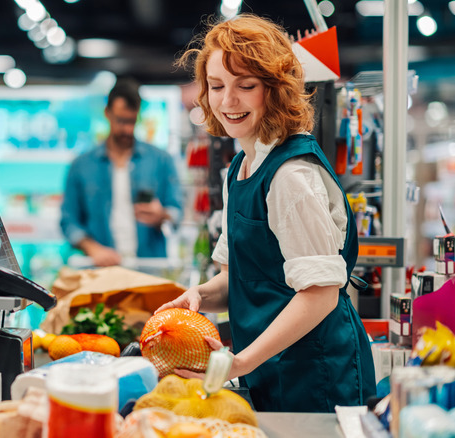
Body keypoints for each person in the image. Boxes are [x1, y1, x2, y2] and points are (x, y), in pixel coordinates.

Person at [156, 14, 375, 412]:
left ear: (274, 89)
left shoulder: (292, 175)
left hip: (316, 373)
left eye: (246, 86)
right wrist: (199, 296)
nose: (227, 101)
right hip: (268, 369)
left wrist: (238, 362)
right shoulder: (241, 169)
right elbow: (239, 280)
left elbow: (321, 295)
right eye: (217, 86)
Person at [60, 78, 182, 267]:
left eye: (132, 121)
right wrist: (93, 249)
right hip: (101, 271)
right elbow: (68, 221)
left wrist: (162, 215)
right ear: (107, 113)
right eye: (121, 120)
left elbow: (177, 212)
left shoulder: (161, 160)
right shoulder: (81, 165)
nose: (127, 129)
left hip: (149, 269)